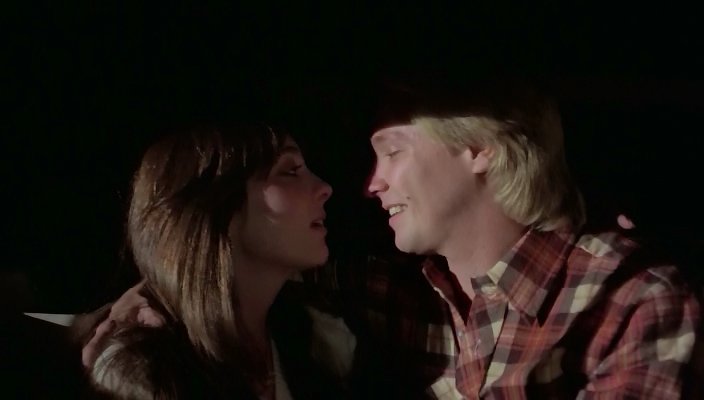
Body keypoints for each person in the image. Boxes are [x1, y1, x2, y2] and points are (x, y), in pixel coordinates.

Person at [80, 77, 702, 398]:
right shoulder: (399, 291)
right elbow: (230, 264)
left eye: (393, 152)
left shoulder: (629, 302)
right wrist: (155, 294)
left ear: (478, 147)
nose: (369, 184)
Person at [81, 124, 355, 399]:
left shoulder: (318, 342)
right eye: (291, 171)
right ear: (218, 205)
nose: (325, 188)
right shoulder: (142, 372)